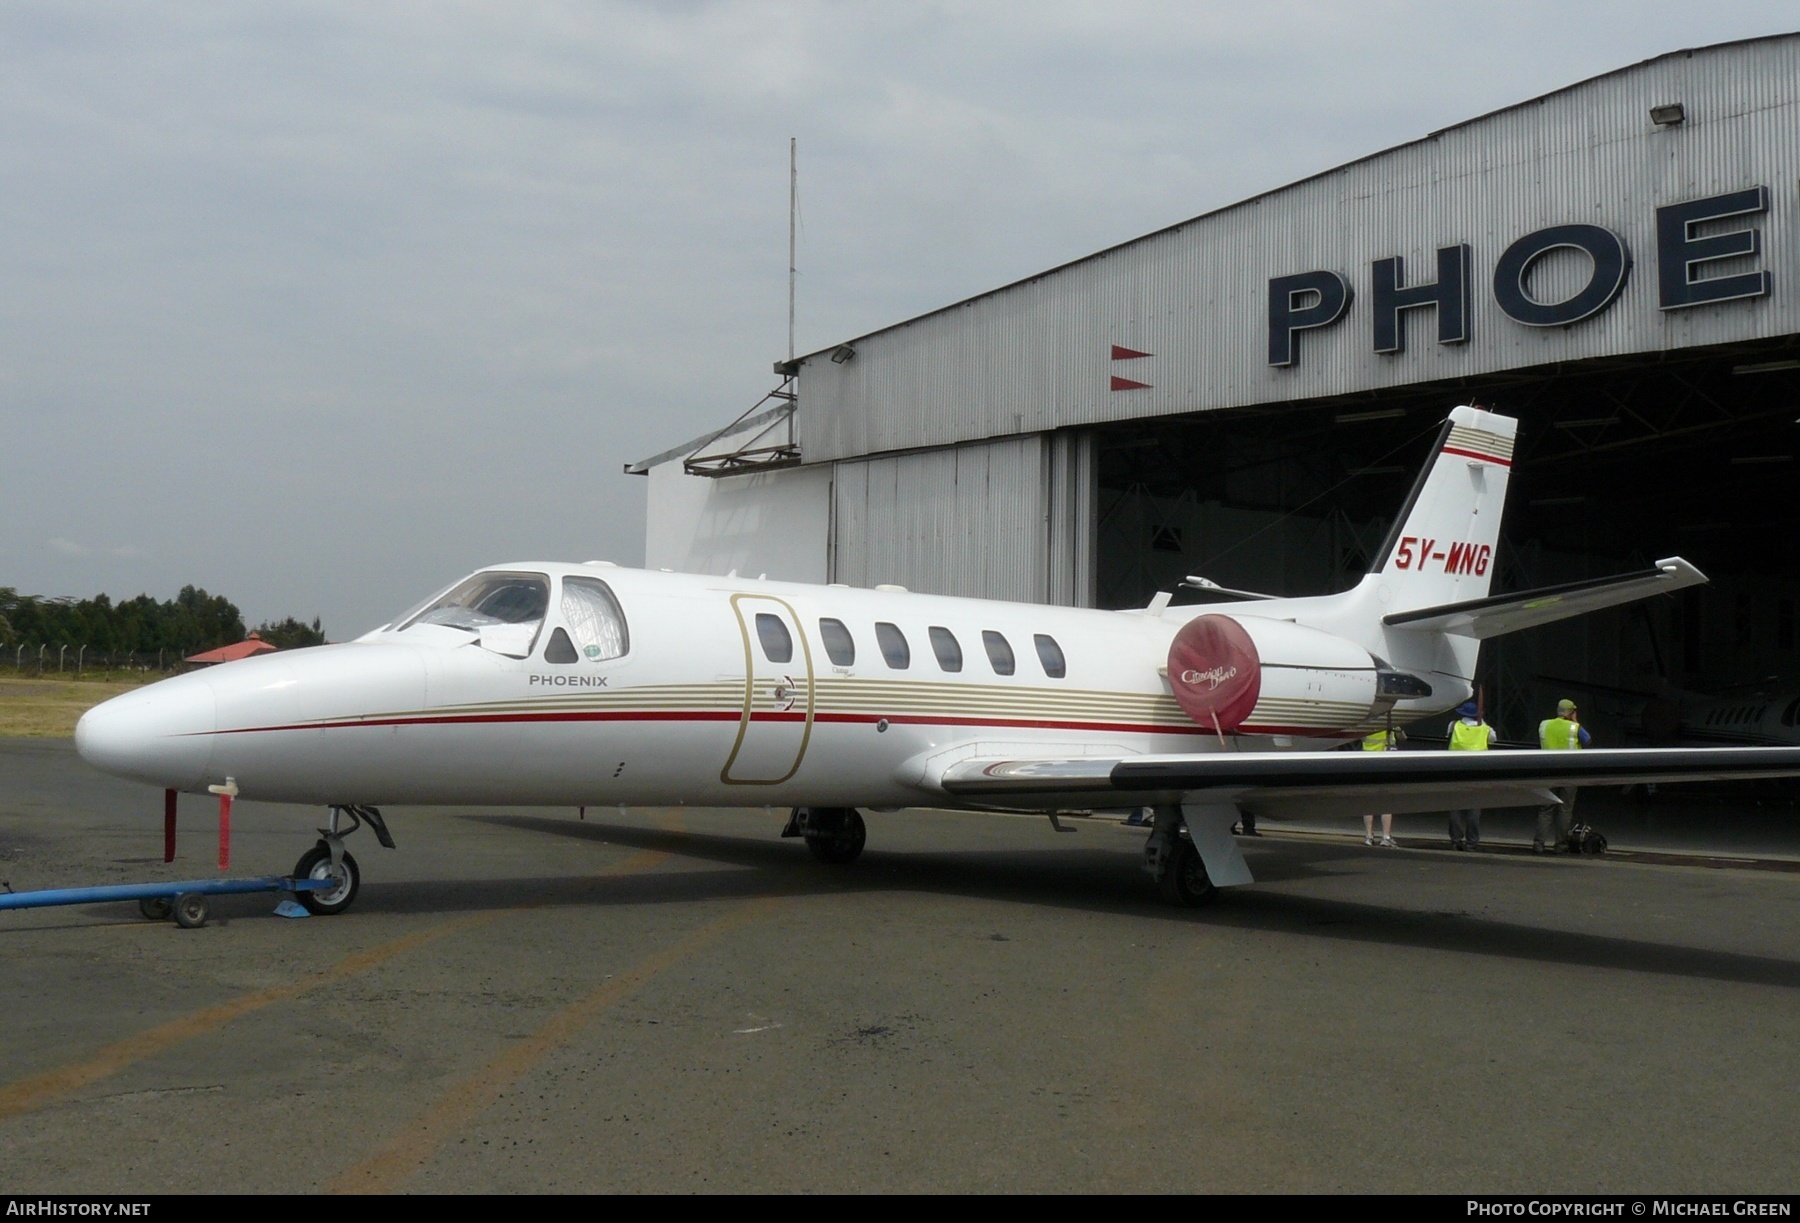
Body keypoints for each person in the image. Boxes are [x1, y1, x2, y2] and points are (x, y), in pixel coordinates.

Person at [1535, 697, 1591, 852]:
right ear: (1571, 713)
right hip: (1568, 773)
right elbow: (1587, 741)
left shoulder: (1544, 724)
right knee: (1565, 809)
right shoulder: (1575, 728)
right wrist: (1575, 722)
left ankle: (1538, 844)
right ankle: (1560, 845)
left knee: (1545, 809)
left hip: (1547, 772)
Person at [1446, 700, 1496, 851]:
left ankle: (1456, 840)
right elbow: (1493, 739)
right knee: (1474, 809)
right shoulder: (1486, 729)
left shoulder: (1453, 725)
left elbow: (1447, 736)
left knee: (1454, 808)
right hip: (1477, 774)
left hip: (1455, 771)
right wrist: (1482, 721)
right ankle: (1472, 842)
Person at [1361, 725, 1403, 846]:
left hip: (1366, 761)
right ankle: (1386, 836)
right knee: (1386, 801)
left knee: (1368, 801)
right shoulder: (1389, 724)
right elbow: (1402, 737)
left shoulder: (1367, 724)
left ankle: (1369, 836)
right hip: (1384, 762)